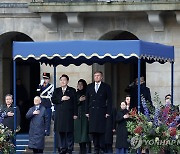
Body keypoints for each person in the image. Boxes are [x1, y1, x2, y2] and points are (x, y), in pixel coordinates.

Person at [85, 71, 112, 154]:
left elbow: (110, 100)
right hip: (92, 111)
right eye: (95, 76)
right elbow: (87, 100)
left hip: (102, 111)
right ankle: (96, 148)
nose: (96, 77)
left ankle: (101, 147)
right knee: (93, 131)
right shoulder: (89, 86)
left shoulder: (106, 86)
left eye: (98, 76)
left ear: (101, 77)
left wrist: (108, 111)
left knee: (101, 131)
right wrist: (87, 111)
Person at [52, 74, 78, 154]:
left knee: (69, 132)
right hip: (59, 114)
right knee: (61, 132)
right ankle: (62, 148)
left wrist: (75, 114)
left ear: (67, 81)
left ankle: (70, 148)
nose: (62, 81)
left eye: (64, 80)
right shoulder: (56, 90)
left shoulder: (72, 90)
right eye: (61, 80)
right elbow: (53, 100)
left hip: (69, 114)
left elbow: (75, 103)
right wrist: (61, 99)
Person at [74, 79, 90, 154]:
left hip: (85, 115)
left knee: (85, 133)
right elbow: (73, 104)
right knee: (79, 134)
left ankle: (87, 149)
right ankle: (81, 149)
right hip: (78, 116)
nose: (79, 86)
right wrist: (79, 100)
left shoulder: (87, 93)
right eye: (78, 84)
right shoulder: (76, 93)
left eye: (81, 84)